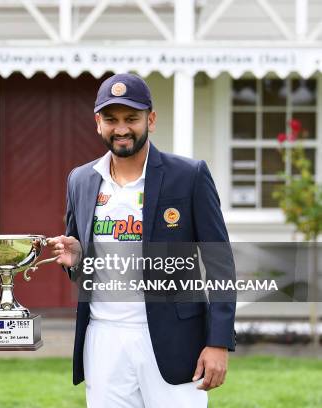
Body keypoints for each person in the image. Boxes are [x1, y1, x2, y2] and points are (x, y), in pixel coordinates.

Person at [47, 73, 236, 407]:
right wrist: (76, 260)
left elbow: (219, 262)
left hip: (176, 341)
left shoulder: (189, 176)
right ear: (97, 123)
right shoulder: (81, 180)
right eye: (111, 119)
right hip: (103, 338)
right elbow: (82, 265)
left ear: (151, 119)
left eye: (131, 118)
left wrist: (218, 342)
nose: (121, 129)